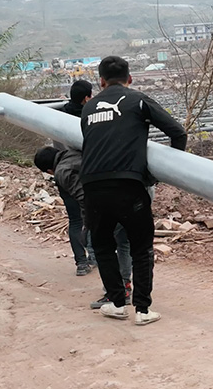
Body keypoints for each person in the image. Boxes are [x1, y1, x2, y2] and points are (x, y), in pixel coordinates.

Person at [80, 56, 187, 326]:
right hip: (129, 184)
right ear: (130, 79)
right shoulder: (138, 100)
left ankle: (116, 303)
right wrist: (166, 172)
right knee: (141, 247)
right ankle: (142, 309)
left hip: (92, 186)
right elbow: (178, 132)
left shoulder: (88, 107)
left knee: (103, 247)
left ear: (101, 82)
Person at [33, 146, 132, 309]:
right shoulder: (76, 151)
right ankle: (125, 287)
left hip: (106, 204)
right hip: (125, 191)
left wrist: (89, 225)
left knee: (101, 248)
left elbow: (85, 198)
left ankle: (116, 293)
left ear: (49, 169)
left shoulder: (62, 172)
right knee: (124, 243)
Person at [55, 80, 98, 276]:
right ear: (86, 98)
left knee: (74, 220)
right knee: (93, 217)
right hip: (87, 174)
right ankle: (94, 256)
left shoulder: (56, 115)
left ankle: (81, 263)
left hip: (63, 174)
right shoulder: (91, 117)